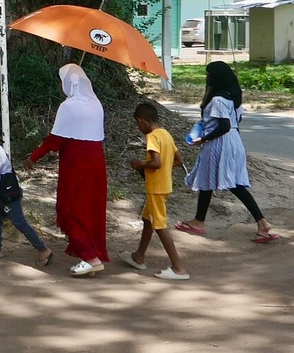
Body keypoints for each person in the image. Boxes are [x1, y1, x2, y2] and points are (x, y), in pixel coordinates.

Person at [175, 61, 279, 243]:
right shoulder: (234, 98)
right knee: (211, 180)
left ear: (217, 77)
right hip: (234, 141)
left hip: (219, 142)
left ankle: (262, 223)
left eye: (209, 75)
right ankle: (199, 220)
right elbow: (233, 124)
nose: (207, 78)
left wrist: (204, 139)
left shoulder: (218, 99)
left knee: (233, 184)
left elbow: (224, 126)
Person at [25, 63, 109, 277]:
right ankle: (91, 252)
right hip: (96, 163)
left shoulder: (69, 106)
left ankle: (91, 258)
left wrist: (33, 157)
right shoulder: (96, 104)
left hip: (76, 165)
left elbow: (55, 140)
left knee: (72, 208)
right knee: (90, 208)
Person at [0, 120, 53, 267]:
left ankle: (43, 250)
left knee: (19, 223)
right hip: (6, 193)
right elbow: (2, 174)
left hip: (8, 196)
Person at [121, 103, 189, 280]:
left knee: (160, 225)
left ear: (142, 121)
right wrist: (165, 168)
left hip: (156, 188)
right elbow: (179, 160)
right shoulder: (165, 134)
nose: (139, 128)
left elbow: (156, 163)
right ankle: (139, 256)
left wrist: (140, 164)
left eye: (138, 124)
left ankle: (178, 268)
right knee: (148, 219)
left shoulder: (152, 137)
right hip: (164, 184)